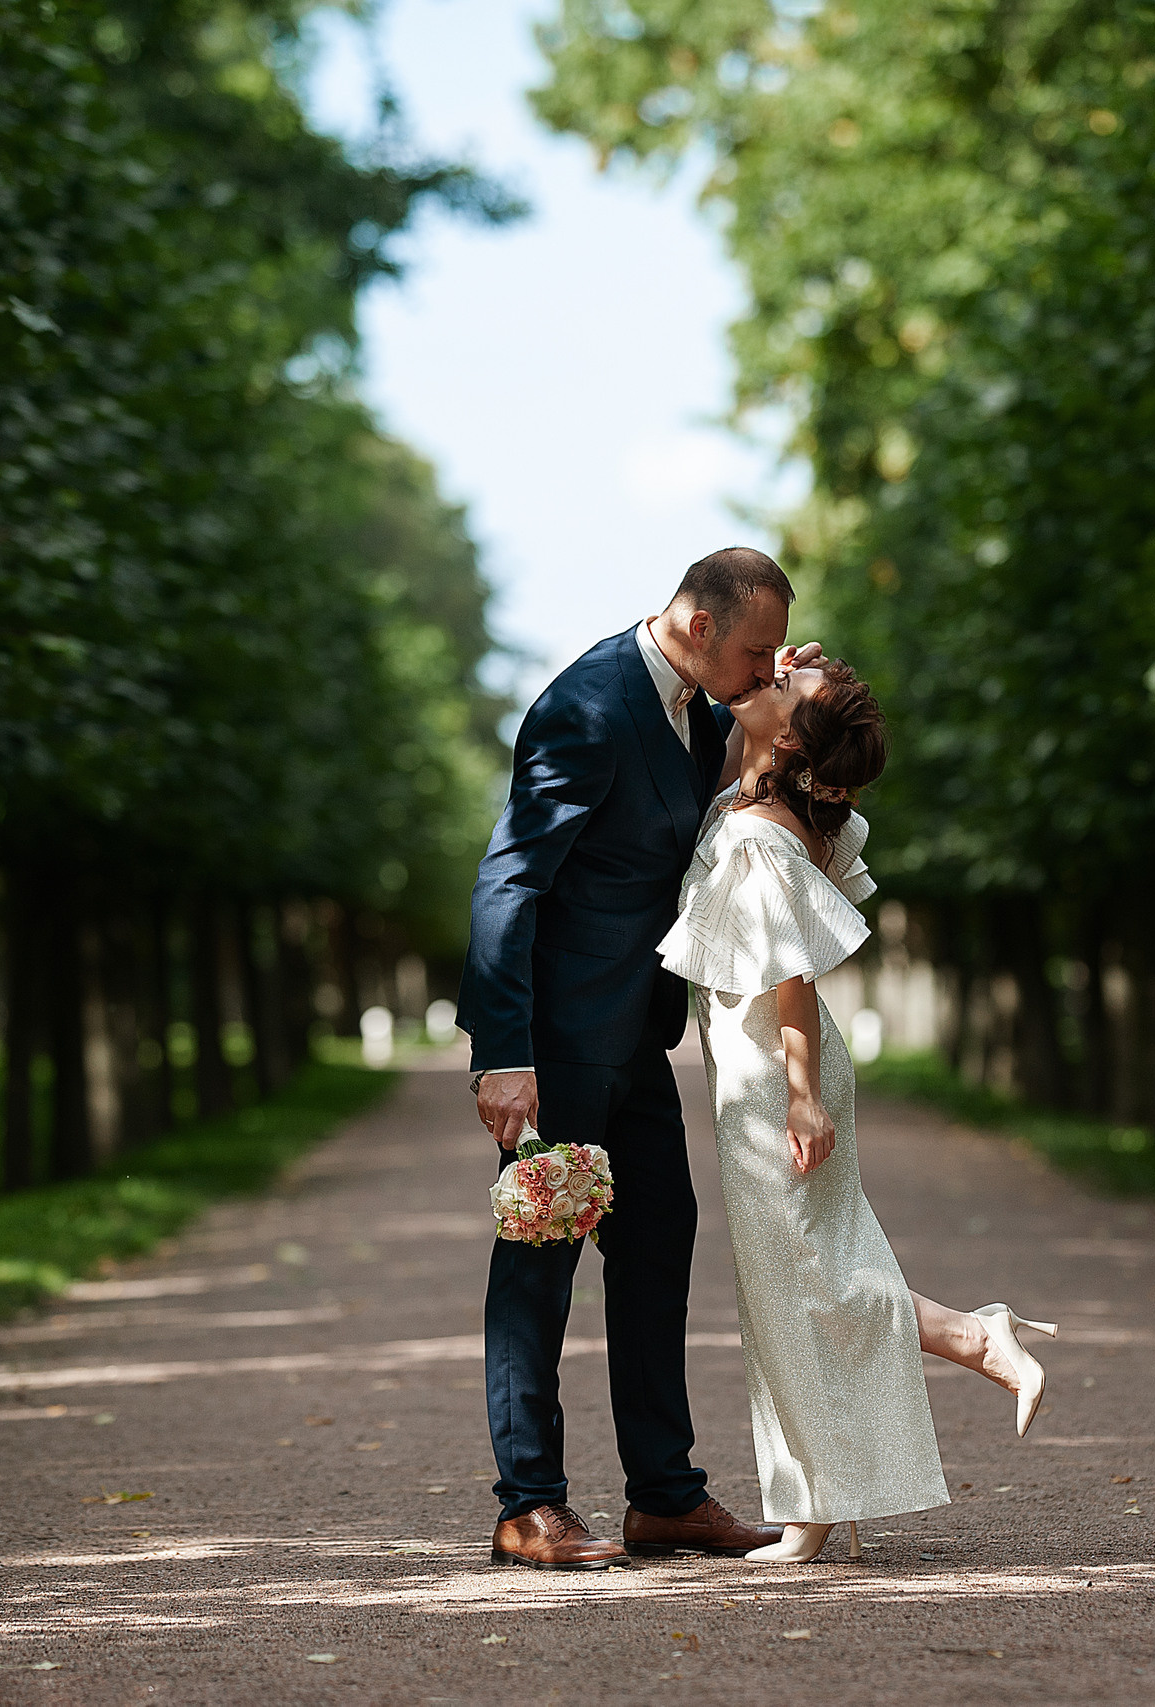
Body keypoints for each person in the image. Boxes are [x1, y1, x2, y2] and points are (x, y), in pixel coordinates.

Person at [459, 546, 818, 1571]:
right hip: (559, 1043)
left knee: (660, 1247)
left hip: (637, 1038)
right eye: (752, 651)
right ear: (700, 627)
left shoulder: (704, 702)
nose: (760, 670)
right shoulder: (587, 703)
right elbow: (510, 879)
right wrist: (502, 1051)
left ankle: (664, 1497)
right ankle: (527, 1505)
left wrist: (783, 698)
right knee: (538, 1262)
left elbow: (721, 779)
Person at [655, 655, 1055, 1564]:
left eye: (777, 685)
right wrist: (794, 683)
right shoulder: (767, 795)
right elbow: (754, 718)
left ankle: (960, 1348)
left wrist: (801, 1099)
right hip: (765, 1068)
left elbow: (790, 977)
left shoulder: (762, 830)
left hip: (773, 1072)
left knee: (801, 1283)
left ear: (792, 737)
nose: (757, 677)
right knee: (806, 1277)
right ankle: (825, 1494)